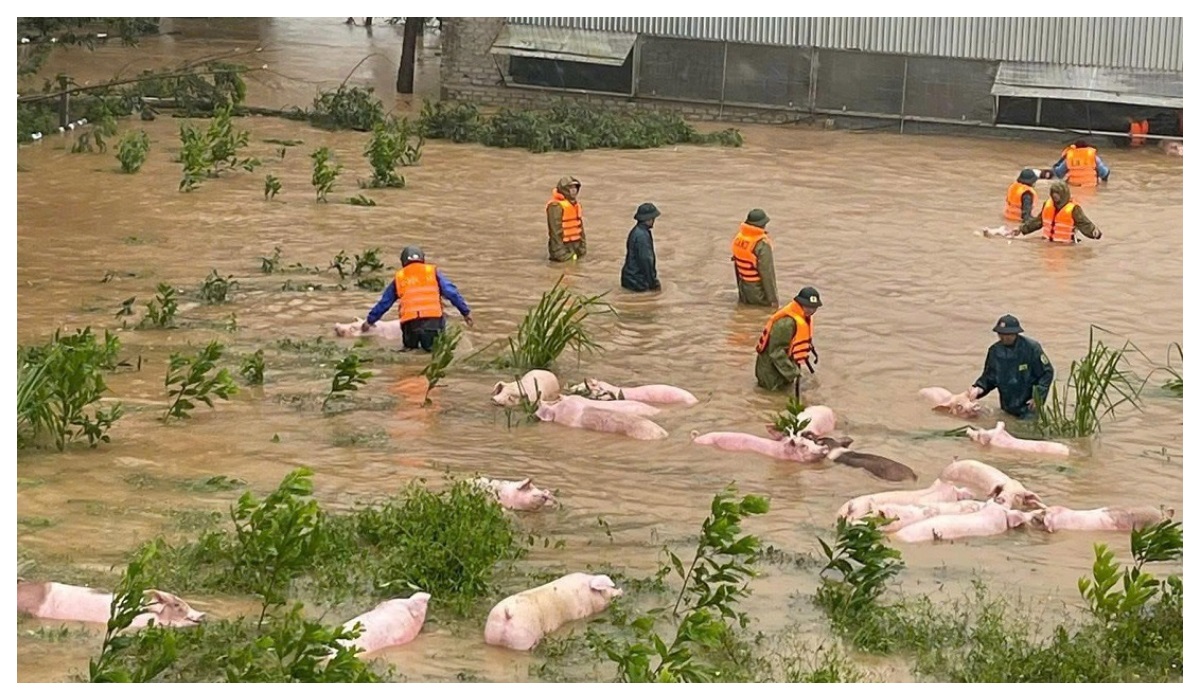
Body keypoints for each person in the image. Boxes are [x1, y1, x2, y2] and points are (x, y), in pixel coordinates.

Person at [360, 245, 473, 352]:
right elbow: (451, 293)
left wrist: (370, 321)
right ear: (422, 258)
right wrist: (465, 312)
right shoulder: (432, 272)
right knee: (432, 355)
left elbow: (384, 303)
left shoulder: (400, 277)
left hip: (410, 324)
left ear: (403, 261)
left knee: (410, 354)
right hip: (433, 322)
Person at [967, 314, 1054, 419]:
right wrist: (978, 389)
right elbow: (989, 378)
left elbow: (1047, 372)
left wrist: (1038, 397)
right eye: (1001, 334)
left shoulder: (1031, 348)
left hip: (1028, 406)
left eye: (1008, 334)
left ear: (1016, 333)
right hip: (1007, 405)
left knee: (1027, 432)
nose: (1004, 337)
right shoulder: (994, 351)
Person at [754, 286, 821, 392]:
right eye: (808, 307)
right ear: (800, 304)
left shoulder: (803, 318)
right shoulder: (786, 324)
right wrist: (793, 372)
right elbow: (776, 352)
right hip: (771, 374)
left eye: (814, 308)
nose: (811, 310)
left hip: (783, 368)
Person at [1013, 180, 1104, 243]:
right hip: (1047, 243)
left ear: (1063, 194)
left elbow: (1084, 223)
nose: (1055, 196)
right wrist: (1021, 229)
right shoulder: (1048, 205)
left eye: (1057, 194)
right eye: (1053, 193)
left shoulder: (1074, 209)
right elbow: (1038, 222)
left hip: (1066, 246)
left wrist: (1095, 233)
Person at [731, 208, 778, 307]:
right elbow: (767, 273)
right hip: (758, 290)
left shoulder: (738, 238)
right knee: (762, 314)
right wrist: (773, 300)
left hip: (743, 288)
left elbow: (737, 265)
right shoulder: (761, 244)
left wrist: (740, 292)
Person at [620, 202, 662, 292]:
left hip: (630, 278)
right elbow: (646, 260)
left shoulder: (636, 231)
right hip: (637, 282)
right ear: (649, 219)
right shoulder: (642, 236)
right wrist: (653, 283)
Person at [546, 176, 585, 262]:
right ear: (565, 190)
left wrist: (582, 249)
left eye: (575, 188)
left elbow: (580, 229)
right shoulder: (555, 206)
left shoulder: (576, 205)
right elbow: (555, 233)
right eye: (571, 188)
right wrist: (561, 253)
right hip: (563, 252)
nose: (574, 190)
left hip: (577, 249)